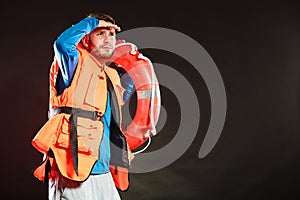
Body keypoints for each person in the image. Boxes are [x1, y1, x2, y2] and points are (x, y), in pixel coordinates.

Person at [31, 12, 160, 200]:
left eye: (111, 34)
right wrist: (93, 22)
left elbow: (133, 82)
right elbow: (62, 44)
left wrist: (134, 59)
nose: (107, 39)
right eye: (100, 34)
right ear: (86, 37)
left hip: (102, 171)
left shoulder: (109, 76)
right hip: (71, 170)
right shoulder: (72, 64)